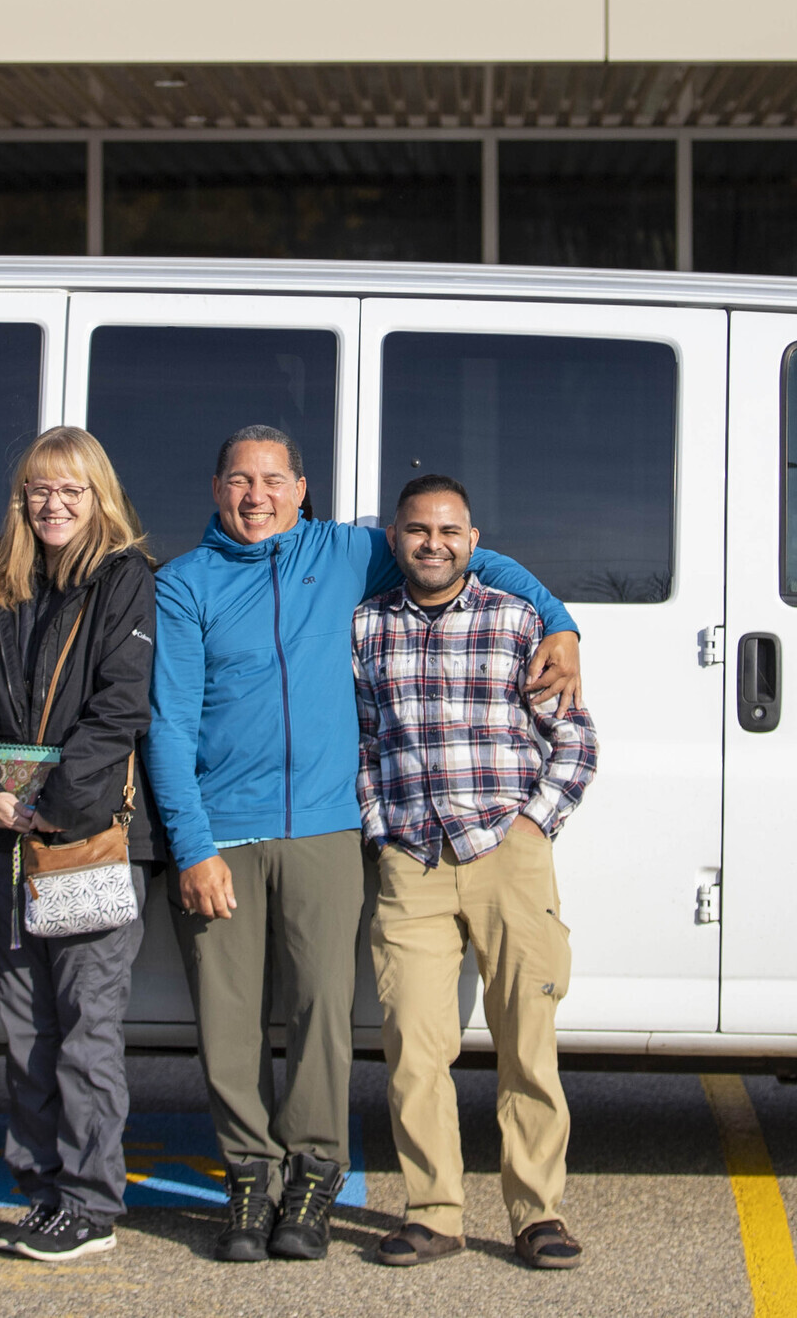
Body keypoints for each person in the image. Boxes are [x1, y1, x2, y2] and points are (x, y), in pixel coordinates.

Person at [144, 425, 583, 1263]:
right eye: (240, 479)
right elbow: (167, 725)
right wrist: (191, 843)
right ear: (215, 488)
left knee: (323, 1014)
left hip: (326, 829)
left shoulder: (347, 553)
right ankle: (250, 1177)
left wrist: (559, 622)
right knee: (231, 1021)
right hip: (229, 830)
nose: (256, 494)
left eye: (274, 478)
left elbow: (465, 561)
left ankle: (314, 1178)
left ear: (301, 489)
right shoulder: (185, 582)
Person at [352, 475, 598, 1271]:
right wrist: (379, 827)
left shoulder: (517, 619)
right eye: (418, 530)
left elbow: (577, 741)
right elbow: (360, 741)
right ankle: (434, 1212)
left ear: (473, 538)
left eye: (449, 530)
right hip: (411, 862)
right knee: (415, 1047)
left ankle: (538, 1212)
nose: (433, 543)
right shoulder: (364, 629)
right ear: (396, 539)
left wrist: (533, 827)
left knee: (529, 1041)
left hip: (508, 858)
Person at [0, 426, 156, 1263]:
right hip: (6, 838)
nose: (54, 504)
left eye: (71, 489)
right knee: (27, 1028)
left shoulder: (123, 578)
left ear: (97, 493)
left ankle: (91, 1200)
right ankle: (40, 1189)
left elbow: (120, 707)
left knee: (86, 1026)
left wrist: (56, 806)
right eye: (39, 489)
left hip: (86, 840)